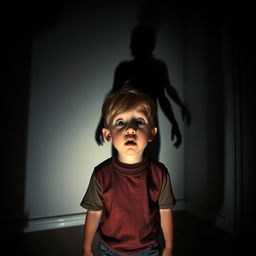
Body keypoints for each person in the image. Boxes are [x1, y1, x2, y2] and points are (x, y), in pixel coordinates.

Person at [81, 86, 176, 256]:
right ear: (108, 134)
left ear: (151, 134)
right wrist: (87, 248)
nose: (130, 129)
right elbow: (94, 212)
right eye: (120, 122)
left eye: (139, 121)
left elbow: (165, 210)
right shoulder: (101, 174)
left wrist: (168, 247)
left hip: (149, 248)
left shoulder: (159, 173)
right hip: (110, 250)